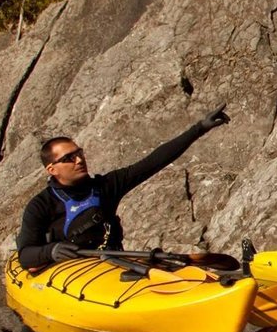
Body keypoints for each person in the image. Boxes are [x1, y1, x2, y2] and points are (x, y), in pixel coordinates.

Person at [16, 106, 230, 270]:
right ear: (52, 169)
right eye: (69, 158)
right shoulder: (40, 205)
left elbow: (154, 161)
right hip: (68, 271)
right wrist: (52, 251)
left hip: (112, 263)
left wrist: (199, 128)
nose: (79, 160)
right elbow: (25, 255)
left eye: (79, 153)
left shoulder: (107, 186)